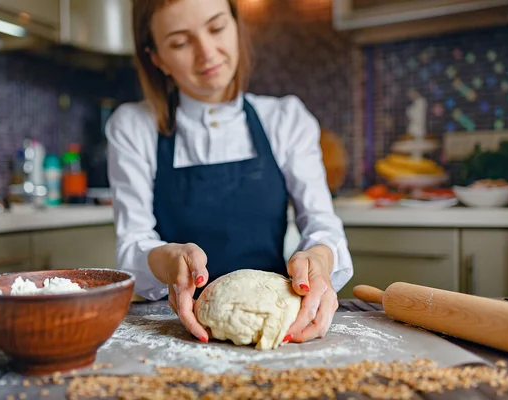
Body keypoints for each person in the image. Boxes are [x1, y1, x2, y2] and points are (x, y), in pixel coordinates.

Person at [105, 0, 354, 345]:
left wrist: (319, 260)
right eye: (180, 42)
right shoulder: (134, 126)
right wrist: (167, 261)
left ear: (237, 26)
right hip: (172, 329)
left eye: (217, 27)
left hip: (276, 323)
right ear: (156, 58)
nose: (206, 52)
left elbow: (323, 225)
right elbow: (132, 245)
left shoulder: (285, 119)